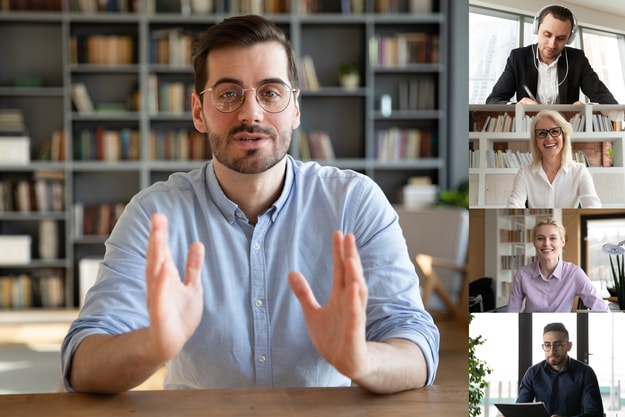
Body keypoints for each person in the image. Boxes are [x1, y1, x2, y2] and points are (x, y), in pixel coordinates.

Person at [60, 15, 440, 394]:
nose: (251, 113)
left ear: (295, 108)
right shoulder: (153, 214)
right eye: (228, 94)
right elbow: (82, 362)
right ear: (198, 112)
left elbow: (417, 346)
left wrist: (362, 360)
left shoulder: (355, 202)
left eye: (271, 92)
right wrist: (152, 346)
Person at [486, 4, 618, 105]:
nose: (552, 44)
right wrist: (517, 106)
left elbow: (606, 100)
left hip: (565, 131)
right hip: (528, 130)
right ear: (536, 29)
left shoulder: (577, 60)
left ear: (569, 39)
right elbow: (493, 100)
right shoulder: (518, 58)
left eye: (561, 38)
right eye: (547, 35)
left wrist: (588, 108)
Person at [507, 217, 608, 312]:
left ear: (562, 242)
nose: (546, 243)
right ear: (534, 242)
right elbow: (511, 312)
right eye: (540, 238)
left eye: (553, 238)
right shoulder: (522, 275)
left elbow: (602, 309)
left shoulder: (574, 273)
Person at [506, 109, 601, 208]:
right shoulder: (525, 172)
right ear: (536, 141)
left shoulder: (579, 171)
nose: (549, 138)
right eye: (542, 133)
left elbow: (593, 206)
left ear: (563, 137)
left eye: (555, 131)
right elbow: (513, 205)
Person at [515, 322, 604, 417]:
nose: (552, 351)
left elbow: (596, 413)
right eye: (547, 345)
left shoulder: (585, 372)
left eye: (558, 345)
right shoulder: (532, 373)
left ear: (569, 346)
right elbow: (520, 409)